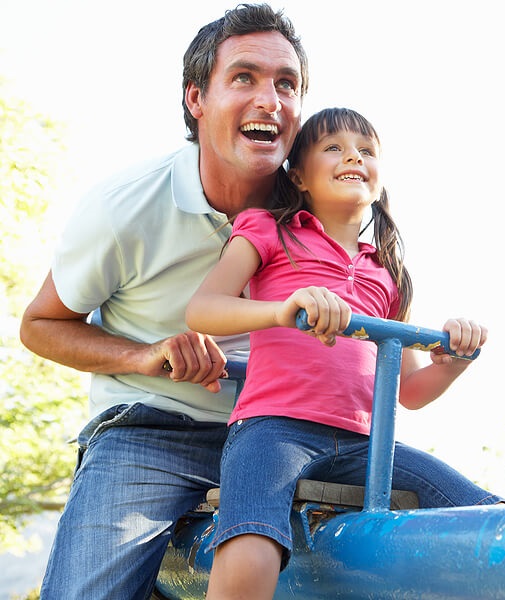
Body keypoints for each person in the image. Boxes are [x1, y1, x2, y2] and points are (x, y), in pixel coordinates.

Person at [18, 4, 308, 599]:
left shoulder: (320, 209)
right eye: (245, 77)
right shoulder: (124, 207)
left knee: (442, 530)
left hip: (283, 434)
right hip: (154, 427)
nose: (270, 99)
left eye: (287, 84)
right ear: (197, 99)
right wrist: (144, 355)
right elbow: (41, 325)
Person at [185, 106, 505, 600]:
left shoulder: (387, 274)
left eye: (366, 150)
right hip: (275, 427)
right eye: (334, 147)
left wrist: (454, 363)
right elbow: (203, 309)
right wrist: (282, 310)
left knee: (485, 516)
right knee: (252, 538)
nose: (353, 156)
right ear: (298, 175)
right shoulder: (270, 230)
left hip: (365, 445)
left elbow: (410, 391)